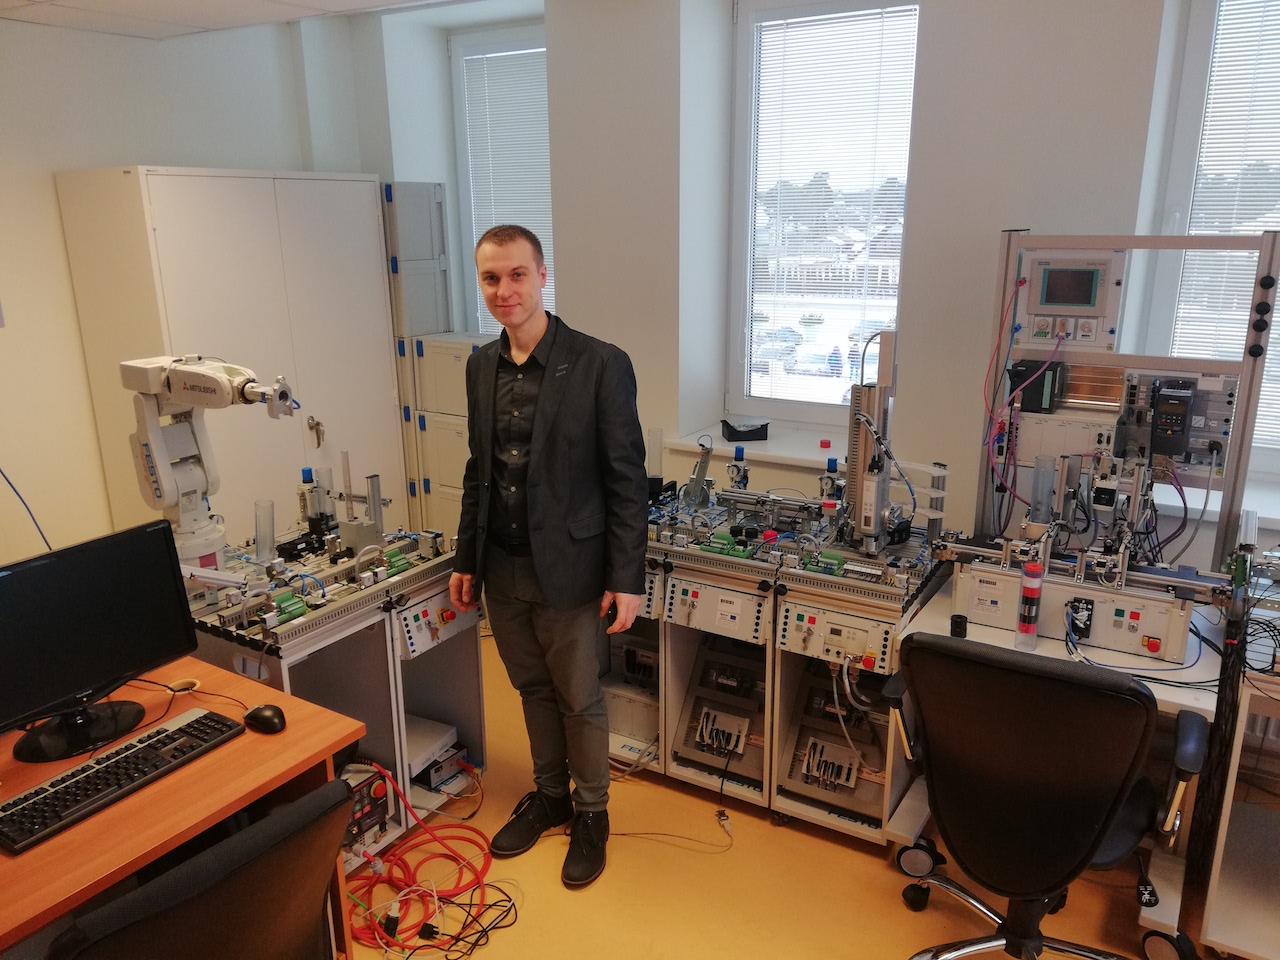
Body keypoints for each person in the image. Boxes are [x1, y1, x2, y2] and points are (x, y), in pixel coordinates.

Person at [448, 225, 648, 888]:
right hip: (501, 565)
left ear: (542, 276)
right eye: (491, 278)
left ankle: (591, 813)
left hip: (571, 568)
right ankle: (551, 795)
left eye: (516, 275)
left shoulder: (599, 363)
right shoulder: (480, 366)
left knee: (579, 697)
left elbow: (626, 479)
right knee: (532, 688)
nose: (503, 290)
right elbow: (479, 470)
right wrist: (465, 557)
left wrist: (626, 577)